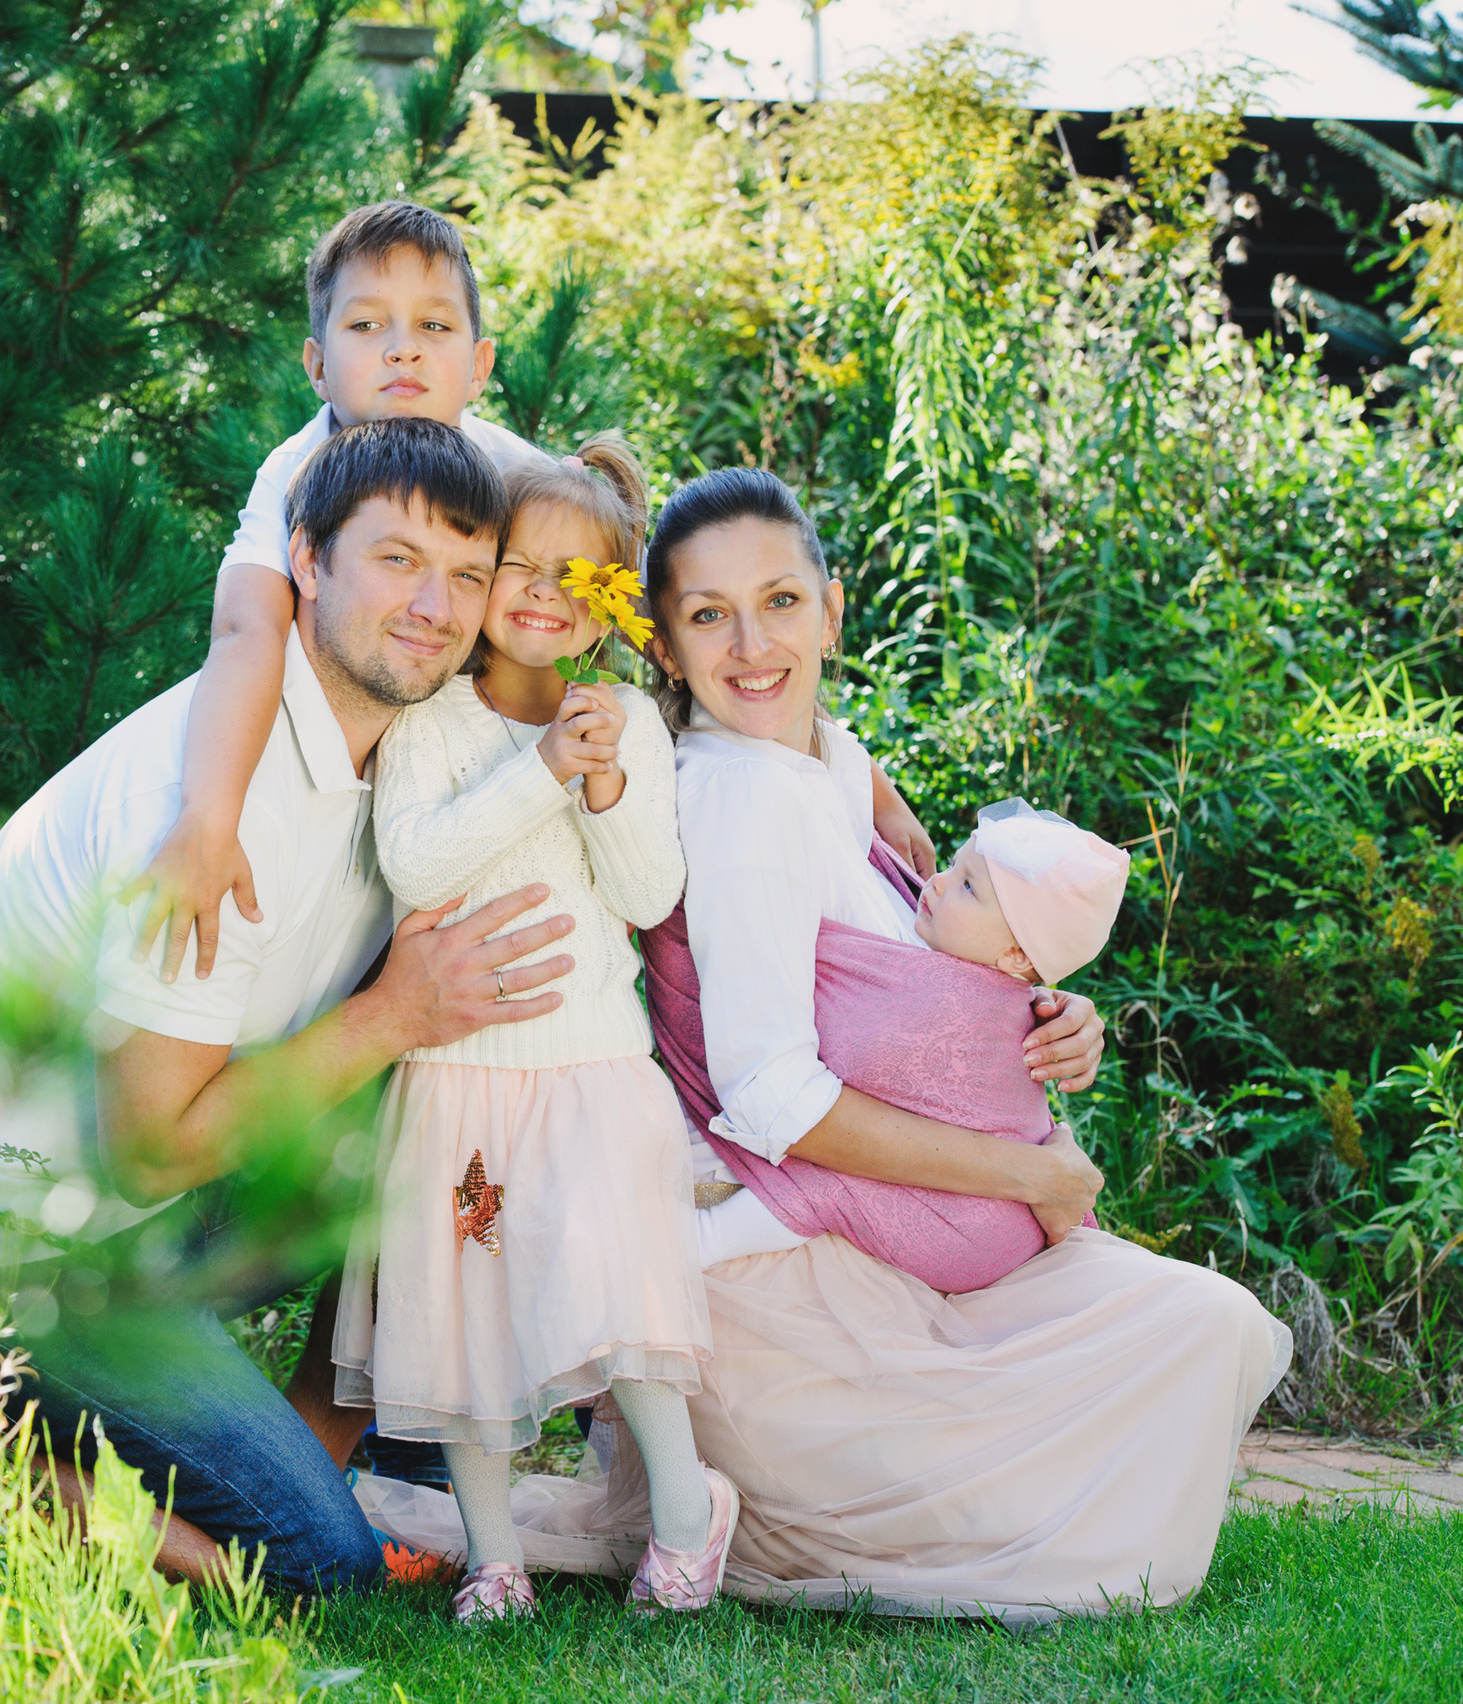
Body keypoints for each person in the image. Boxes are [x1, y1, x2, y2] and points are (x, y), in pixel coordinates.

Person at [358, 468, 1289, 1622]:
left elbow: (929, 942)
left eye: (780, 603)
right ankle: (680, 1508)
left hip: (852, 1227)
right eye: (707, 616)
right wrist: (1033, 1170)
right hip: (775, 1281)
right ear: (661, 640)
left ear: (833, 609)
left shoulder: (822, 766)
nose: (751, 644)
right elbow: (773, 1101)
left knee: (1206, 1329)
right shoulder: (737, 804)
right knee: (1179, 1355)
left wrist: (1044, 1009)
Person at [0, 419, 580, 1598]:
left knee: (410, 1133)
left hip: (109, 1209)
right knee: (310, 1566)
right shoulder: (213, 806)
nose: (434, 607)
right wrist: (395, 1013)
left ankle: (294, 1440)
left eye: (464, 574)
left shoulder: (388, 752)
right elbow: (154, 1152)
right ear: (306, 558)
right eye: (396, 560)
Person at [122, 200, 937, 985]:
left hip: (469, 758)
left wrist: (870, 782)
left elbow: (644, 590)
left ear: (478, 367)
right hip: (332, 768)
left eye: (433, 326)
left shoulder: (496, 458)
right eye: (367, 325)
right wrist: (208, 817)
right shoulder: (295, 472)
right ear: (316, 363)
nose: (401, 351)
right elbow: (244, 633)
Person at [330, 436, 732, 1621]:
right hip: (461, 1088)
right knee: (468, 1311)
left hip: (593, 1081)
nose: (545, 596)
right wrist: (541, 769)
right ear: (484, 572)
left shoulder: (628, 730)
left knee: (618, 1304)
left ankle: (684, 1517)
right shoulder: (434, 725)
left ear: (612, 603)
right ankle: (492, 1553)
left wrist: (599, 781)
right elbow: (416, 861)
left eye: (580, 578)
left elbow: (649, 896)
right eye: (521, 566)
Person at [668, 797, 1139, 1293]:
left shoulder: (953, 1002)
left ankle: (699, 1241)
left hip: (969, 1234)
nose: (935, 881)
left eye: (967, 886)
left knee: (827, 1186)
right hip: (1003, 1224)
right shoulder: (1014, 1001)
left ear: (1017, 954)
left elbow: (856, 1065)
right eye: (955, 867)